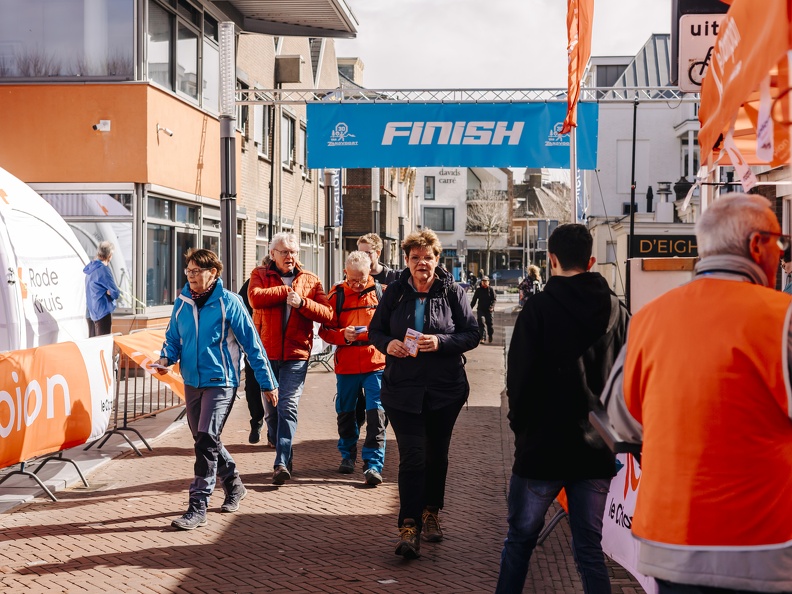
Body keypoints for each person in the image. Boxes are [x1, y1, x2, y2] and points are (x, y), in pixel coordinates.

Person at [601, 193, 792, 594]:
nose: (782, 251)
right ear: (757, 245)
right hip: (763, 547)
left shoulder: (649, 319)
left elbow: (622, 421)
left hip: (667, 543)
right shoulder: (782, 318)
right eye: (781, 241)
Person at [496, 224, 629, 594]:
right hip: (596, 445)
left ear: (550, 259)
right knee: (590, 548)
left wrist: (521, 428)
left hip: (542, 446)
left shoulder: (537, 308)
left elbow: (518, 378)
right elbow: (630, 374)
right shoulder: (617, 310)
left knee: (520, 542)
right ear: (591, 261)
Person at [369, 229, 479, 560]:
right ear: (406, 261)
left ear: (436, 260)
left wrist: (441, 343)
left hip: (445, 391)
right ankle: (409, 526)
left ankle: (432, 512)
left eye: (427, 258)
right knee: (413, 456)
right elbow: (376, 330)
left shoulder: (453, 292)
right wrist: (388, 343)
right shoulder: (395, 293)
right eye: (415, 258)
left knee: (437, 455)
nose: (421, 263)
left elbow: (472, 333)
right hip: (402, 390)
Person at [153, 249, 278, 530]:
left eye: (197, 271)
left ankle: (198, 506)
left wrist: (268, 382)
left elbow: (252, 345)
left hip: (221, 382)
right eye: (189, 271)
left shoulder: (230, 303)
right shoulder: (182, 302)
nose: (191, 276)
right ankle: (235, 486)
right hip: (192, 382)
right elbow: (173, 339)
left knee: (207, 438)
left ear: (213, 273)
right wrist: (165, 359)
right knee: (204, 439)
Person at [248, 232, 333, 485]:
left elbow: (326, 313)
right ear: (272, 253)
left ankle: (282, 462)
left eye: (293, 252)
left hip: (296, 354)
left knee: (287, 406)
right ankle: (277, 440)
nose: (290, 256)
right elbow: (255, 299)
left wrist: (302, 303)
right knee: (272, 412)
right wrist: (285, 291)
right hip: (267, 353)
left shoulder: (310, 280)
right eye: (284, 252)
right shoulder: (260, 275)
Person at [319, 251, 387, 485]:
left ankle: (373, 464)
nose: (357, 284)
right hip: (347, 363)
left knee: (376, 413)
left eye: (361, 279)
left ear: (370, 273)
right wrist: (342, 335)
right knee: (346, 413)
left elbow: (391, 328)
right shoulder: (336, 295)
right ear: (345, 272)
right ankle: (347, 455)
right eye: (352, 279)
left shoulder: (382, 294)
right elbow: (324, 331)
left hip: (376, 361)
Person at [238, 274, 268, 446]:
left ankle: (273, 429)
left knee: (275, 388)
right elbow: (241, 309)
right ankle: (256, 422)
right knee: (252, 386)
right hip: (254, 345)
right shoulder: (253, 282)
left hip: (278, 347)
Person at [83, 241, 121, 336]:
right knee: (102, 346)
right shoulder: (103, 269)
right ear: (109, 255)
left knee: (93, 345)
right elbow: (115, 293)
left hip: (90, 311)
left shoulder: (90, 267)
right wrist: (109, 292)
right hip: (101, 312)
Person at [470, 275, 496, 343]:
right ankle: (483, 337)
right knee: (481, 322)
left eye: (486, 281)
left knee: (489, 324)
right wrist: (470, 308)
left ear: (488, 282)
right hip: (481, 309)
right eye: (483, 281)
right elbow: (474, 300)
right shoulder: (478, 290)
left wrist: (492, 307)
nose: (484, 283)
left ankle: (490, 335)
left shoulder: (491, 289)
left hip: (489, 310)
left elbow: (494, 299)